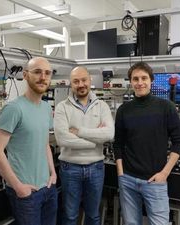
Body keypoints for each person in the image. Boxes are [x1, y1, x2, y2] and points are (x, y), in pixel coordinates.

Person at [0, 57, 57, 225]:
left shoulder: (47, 108)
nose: (43, 77)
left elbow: (45, 144)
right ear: (25, 75)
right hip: (27, 193)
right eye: (37, 72)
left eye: (47, 73)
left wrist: (53, 173)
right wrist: (18, 186)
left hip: (48, 188)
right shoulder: (13, 108)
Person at [113, 62, 180, 225]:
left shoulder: (166, 107)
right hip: (128, 180)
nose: (140, 82)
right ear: (130, 82)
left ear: (151, 80)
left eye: (144, 78)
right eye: (135, 79)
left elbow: (179, 142)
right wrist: (121, 173)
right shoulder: (124, 110)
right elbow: (118, 144)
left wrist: (164, 174)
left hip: (155, 181)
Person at [54, 66, 114, 225]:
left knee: (93, 215)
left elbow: (109, 134)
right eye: (76, 81)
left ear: (90, 80)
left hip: (96, 168)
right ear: (70, 84)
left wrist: (79, 131)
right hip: (70, 168)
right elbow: (63, 140)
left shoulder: (102, 106)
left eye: (83, 80)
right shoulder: (62, 107)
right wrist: (96, 139)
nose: (81, 84)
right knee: (70, 216)